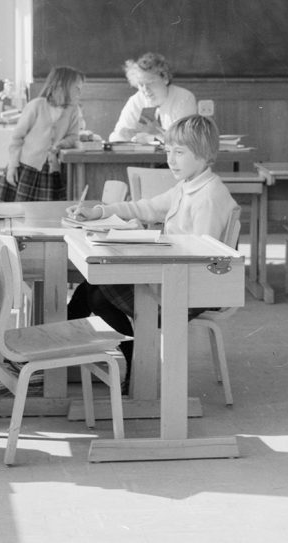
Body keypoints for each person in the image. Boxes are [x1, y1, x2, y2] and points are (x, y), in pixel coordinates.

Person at [66, 115, 238, 382]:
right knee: (89, 289)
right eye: (168, 151)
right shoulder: (188, 186)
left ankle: (134, 364)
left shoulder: (210, 197)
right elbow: (144, 207)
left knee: (96, 294)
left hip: (187, 289)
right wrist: (99, 212)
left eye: (179, 152)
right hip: (170, 276)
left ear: (204, 154)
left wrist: (149, 241)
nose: (170, 159)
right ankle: (68, 361)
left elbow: (201, 256)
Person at [0, 66, 84, 202]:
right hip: (25, 168)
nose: (79, 93)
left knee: (46, 213)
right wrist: (12, 166)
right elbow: (17, 139)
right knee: (21, 212)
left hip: (50, 171)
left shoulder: (73, 111)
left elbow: (73, 136)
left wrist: (62, 144)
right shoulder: (36, 106)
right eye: (76, 88)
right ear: (61, 86)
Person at [109, 52, 197, 143]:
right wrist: (124, 134)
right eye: (141, 84)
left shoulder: (184, 98)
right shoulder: (136, 100)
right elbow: (114, 137)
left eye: (150, 82)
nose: (145, 89)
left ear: (165, 78)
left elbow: (185, 141)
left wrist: (157, 132)